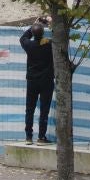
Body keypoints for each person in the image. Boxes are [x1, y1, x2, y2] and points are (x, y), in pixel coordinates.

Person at [19, 14, 55, 144]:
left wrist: (34, 25)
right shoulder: (49, 45)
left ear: (33, 34)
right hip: (46, 81)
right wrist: (50, 23)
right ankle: (41, 137)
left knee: (30, 109)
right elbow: (59, 37)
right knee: (44, 110)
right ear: (43, 33)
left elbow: (23, 37)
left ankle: (28, 137)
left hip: (32, 81)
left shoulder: (29, 45)